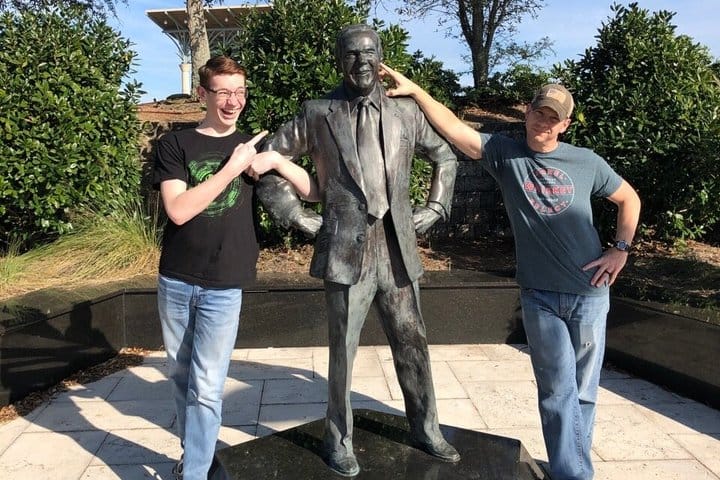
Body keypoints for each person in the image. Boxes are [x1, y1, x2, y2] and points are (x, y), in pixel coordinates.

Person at [379, 64, 641, 480]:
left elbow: (629, 199)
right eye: (539, 113)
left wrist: (620, 250)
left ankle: (570, 467)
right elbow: (454, 129)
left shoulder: (586, 162)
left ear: (565, 124)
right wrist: (415, 90)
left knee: (583, 392)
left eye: (554, 118)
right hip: (540, 296)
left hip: (590, 292)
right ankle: (574, 474)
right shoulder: (506, 154)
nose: (544, 123)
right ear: (528, 113)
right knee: (557, 390)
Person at [255, 24, 460, 477]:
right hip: (347, 253)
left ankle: (426, 429)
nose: (361, 61)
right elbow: (266, 164)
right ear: (338, 59)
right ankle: (339, 440)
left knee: (413, 343)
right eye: (351, 54)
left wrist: (436, 206)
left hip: (397, 249)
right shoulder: (317, 113)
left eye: (369, 53)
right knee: (343, 352)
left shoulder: (407, 112)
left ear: (380, 58)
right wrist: (299, 218)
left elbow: (445, 156)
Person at [152, 55, 318, 480]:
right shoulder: (175, 144)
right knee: (181, 378)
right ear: (203, 94)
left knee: (207, 387)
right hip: (176, 280)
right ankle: (194, 455)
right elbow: (178, 210)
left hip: (224, 284)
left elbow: (314, 191)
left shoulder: (253, 146)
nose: (233, 101)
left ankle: (196, 473)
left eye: (240, 92)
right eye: (224, 92)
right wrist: (232, 168)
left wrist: (276, 162)